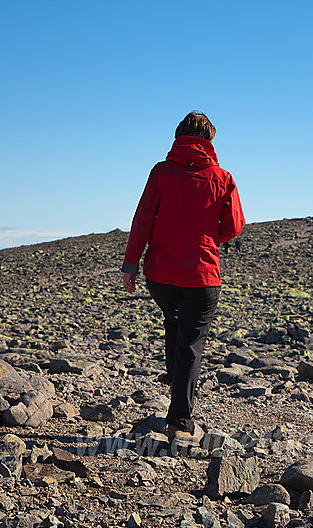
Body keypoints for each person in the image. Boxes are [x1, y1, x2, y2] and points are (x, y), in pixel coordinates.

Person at [122, 111, 245, 444]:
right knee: (191, 344)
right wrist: (208, 237)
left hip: (160, 274)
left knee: (174, 324)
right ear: (209, 141)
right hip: (202, 276)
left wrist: (130, 265)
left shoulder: (161, 173)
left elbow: (143, 219)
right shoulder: (223, 178)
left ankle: (176, 386)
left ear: (178, 138)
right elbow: (233, 226)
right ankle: (179, 422)